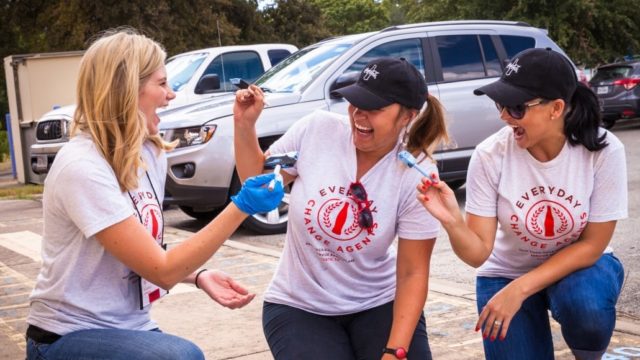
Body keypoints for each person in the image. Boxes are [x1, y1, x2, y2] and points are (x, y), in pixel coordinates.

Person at [25, 29, 284, 360]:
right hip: (64, 335)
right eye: (162, 84)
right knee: (180, 356)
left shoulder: (149, 153)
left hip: (130, 327)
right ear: (125, 91)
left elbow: (145, 253)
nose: (171, 94)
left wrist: (199, 275)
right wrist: (242, 206)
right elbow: (161, 270)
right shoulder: (81, 166)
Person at [233, 57, 449, 360]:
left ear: (408, 116)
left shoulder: (416, 171)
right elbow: (254, 183)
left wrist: (394, 351)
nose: (359, 115)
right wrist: (244, 125)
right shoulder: (316, 129)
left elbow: (413, 272)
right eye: (356, 103)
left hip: (379, 302)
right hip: (299, 305)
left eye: (374, 109)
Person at [417, 48, 627, 360]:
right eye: (500, 104)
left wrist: (521, 288)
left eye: (515, 107)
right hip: (505, 272)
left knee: (584, 303)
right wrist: (452, 221)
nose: (503, 115)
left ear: (556, 108)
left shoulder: (603, 149)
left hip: (582, 268)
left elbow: (593, 245)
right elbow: (477, 254)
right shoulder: (490, 156)